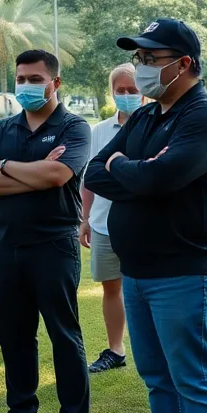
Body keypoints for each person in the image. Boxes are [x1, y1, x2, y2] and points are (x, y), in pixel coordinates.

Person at [85, 18, 207, 413]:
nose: (144, 67)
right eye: (141, 58)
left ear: (184, 64)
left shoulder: (204, 117)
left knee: (195, 382)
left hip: (185, 272)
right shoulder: (149, 117)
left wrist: (133, 170)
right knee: (159, 381)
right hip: (140, 272)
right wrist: (136, 169)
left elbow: (158, 177)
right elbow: (94, 170)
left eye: (152, 59)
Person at [0, 49, 92, 413]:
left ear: (55, 83)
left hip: (53, 245)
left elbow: (59, 174)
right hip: (6, 244)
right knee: (14, 335)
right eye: (21, 79)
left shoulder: (74, 127)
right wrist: (28, 172)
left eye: (34, 79)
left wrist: (5, 168)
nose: (26, 86)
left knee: (63, 334)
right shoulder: (3, 129)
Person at [80, 63, 140, 373]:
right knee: (111, 287)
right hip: (103, 225)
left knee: (146, 287)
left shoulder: (154, 126)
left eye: (133, 90)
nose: (127, 95)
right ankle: (116, 349)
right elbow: (88, 178)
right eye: (121, 91)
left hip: (144, 224)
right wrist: (85, 218)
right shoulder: (99, 131)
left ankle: (150, 349)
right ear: (112, 92)